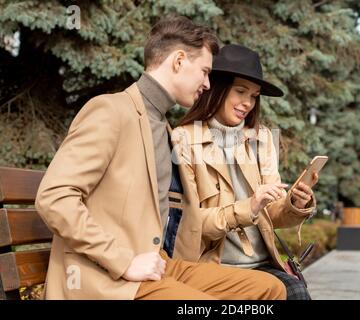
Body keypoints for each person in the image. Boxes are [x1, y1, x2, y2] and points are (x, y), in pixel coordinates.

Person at [35, 17, 286, 300]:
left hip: (159, 263)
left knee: (270, 289)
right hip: (107, 276)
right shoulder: (111, 111)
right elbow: (54, 196)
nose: (207, 83)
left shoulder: (162, 125)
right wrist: (124, 261)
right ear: (179, 61)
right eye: (204, 72)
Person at [171, 44, 318, 300]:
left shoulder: (261, 138)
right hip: (213, 268)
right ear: (217, 88)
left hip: (261, 264)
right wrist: (248, 207)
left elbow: (272, 214)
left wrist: (294, 203)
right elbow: (190, 225)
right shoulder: (183, 140)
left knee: (296, 292)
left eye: (254, 95)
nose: (248, 103)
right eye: (240, 91)